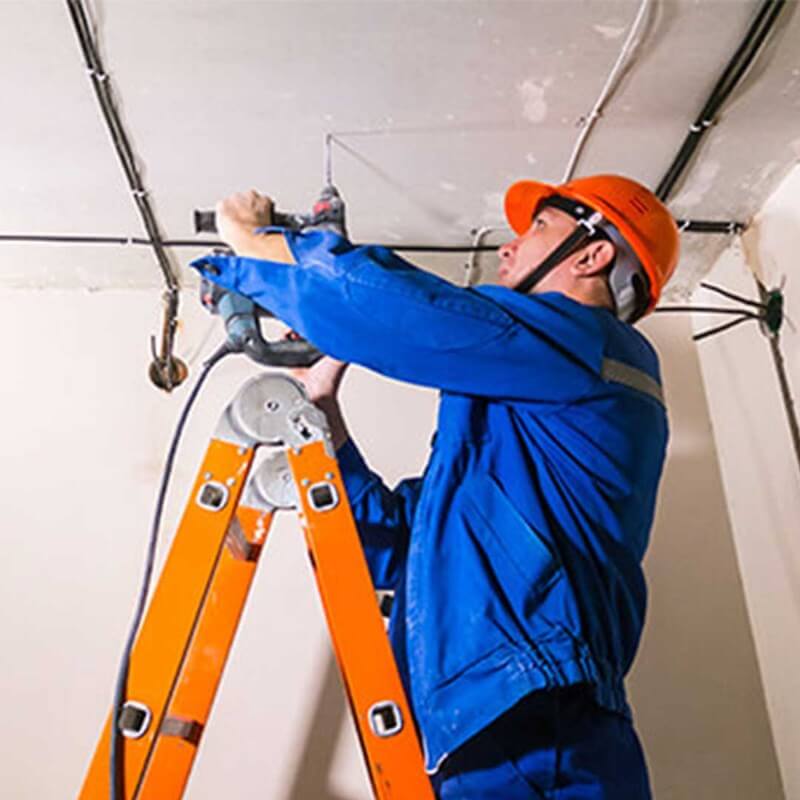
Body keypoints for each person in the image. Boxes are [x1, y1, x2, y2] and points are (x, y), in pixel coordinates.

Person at [192, 174, 680, 799]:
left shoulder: (593, 346)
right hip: (479, 727)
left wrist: (263, 244)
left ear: (593, 254)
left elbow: (416, 316)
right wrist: (323, 409)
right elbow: (399, 548)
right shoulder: (520, 413)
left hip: (534, 724)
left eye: (538, 226)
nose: (509, 246)